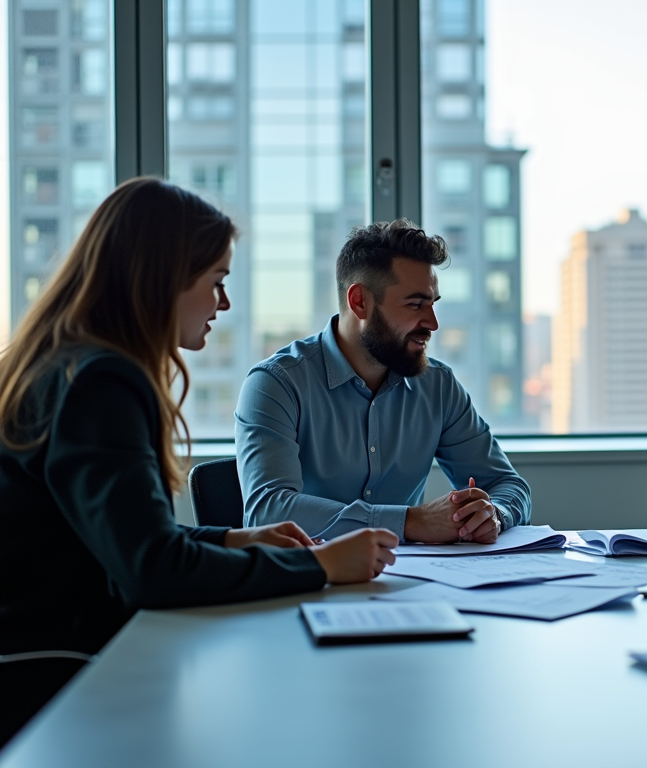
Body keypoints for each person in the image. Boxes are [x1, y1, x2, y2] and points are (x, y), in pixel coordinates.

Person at [0, 179, 397, 743]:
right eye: (216, 282)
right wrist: (324, 566)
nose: (224, 303)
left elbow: (127, 538)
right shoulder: (101, 382)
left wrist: (235, 541)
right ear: (163, 280)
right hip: (50, 683)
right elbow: (153, 571)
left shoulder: (64, 364)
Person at [235, 219, 531, 545]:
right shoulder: (276, 384)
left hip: (411, 587)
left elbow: (507, 484)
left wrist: (493, 514)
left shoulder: (438, 386)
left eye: (433, 303)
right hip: (315, 584)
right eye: (416, 304)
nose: (432, 323)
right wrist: (409, 522)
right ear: (360, 301)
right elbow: (267, 512)